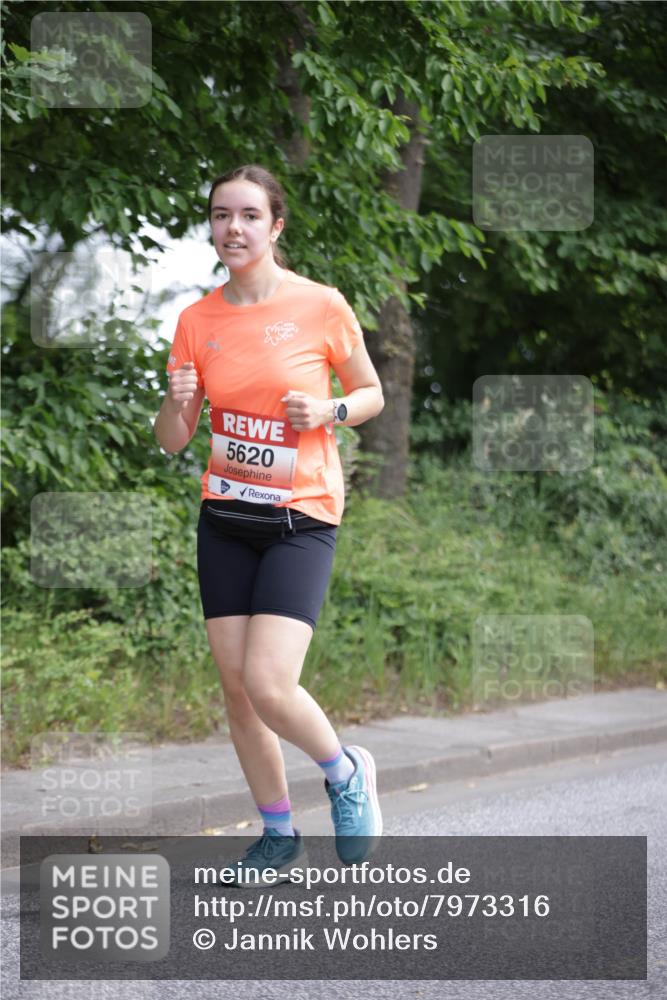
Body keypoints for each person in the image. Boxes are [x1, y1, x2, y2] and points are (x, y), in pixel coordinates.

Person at [153, 164, 385, 886]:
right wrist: (176, 398)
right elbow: (172, 438)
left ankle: (344, 772)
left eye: (249, 215)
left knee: (269, 682)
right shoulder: (198, 320)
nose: (234, 228)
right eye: (222, 215)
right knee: (235, 688)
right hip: (224, 516)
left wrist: (331, 412)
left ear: (276, 225)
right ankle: (278, 836)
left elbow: (370, 391)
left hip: (300, 515)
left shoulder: (319, 306)